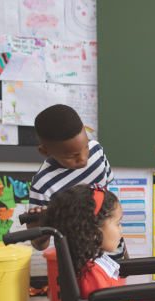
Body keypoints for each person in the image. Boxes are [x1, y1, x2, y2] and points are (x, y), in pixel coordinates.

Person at [26, 104, 121, 257]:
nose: (83, 159)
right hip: (79, 264)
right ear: (45, 151)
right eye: (72, 156)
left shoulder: (97, 151)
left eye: (85, 147)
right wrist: (38, 227)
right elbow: (39, 245)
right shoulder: (43, 185)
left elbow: (110, 206)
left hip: (114, 253)